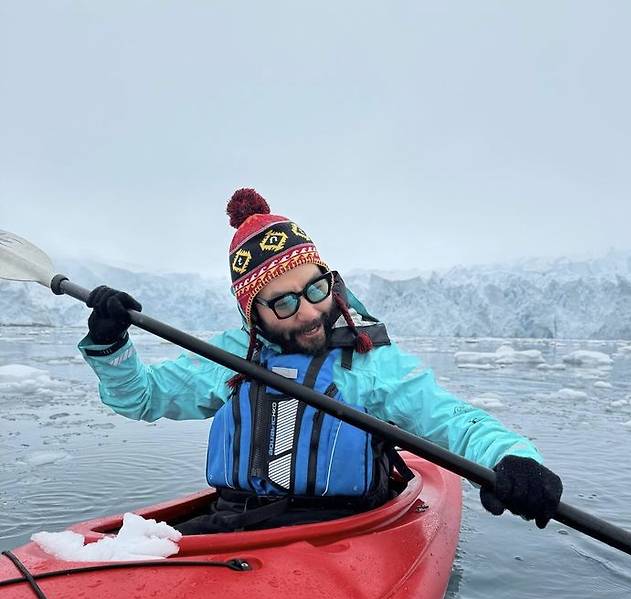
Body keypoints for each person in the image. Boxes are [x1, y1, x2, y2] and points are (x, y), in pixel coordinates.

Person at [79, 188, 562, 533]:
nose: (310, 312)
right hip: (238, 522)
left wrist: (511, 459)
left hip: (347, 528)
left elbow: (454, 421)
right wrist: (110, 344)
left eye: (316, 288)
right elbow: (140, 398)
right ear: (254, 314)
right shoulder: (229, 357)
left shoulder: (368, 361)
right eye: (285, 303)